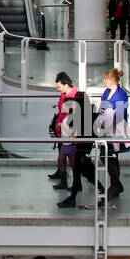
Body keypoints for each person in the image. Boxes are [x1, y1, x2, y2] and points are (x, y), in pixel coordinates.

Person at [50, 72, 96, 209]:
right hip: (77, 144)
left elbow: (75, 129)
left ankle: (74, 196)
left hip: (77, 145)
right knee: (79, 171)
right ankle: (74, 196)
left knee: (79, 170)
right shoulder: (82, 112)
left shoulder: (78, 112)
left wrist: (63, 127)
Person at [94, 68, 128, 199]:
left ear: (112, 80)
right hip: (104, 128)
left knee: (110, 156)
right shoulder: (107, 92)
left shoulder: (121, 95)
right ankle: (115, 184)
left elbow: (120, 115)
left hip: (114, 130)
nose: (104, 81)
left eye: (106, 79)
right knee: (106, 156)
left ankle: (115, 185)